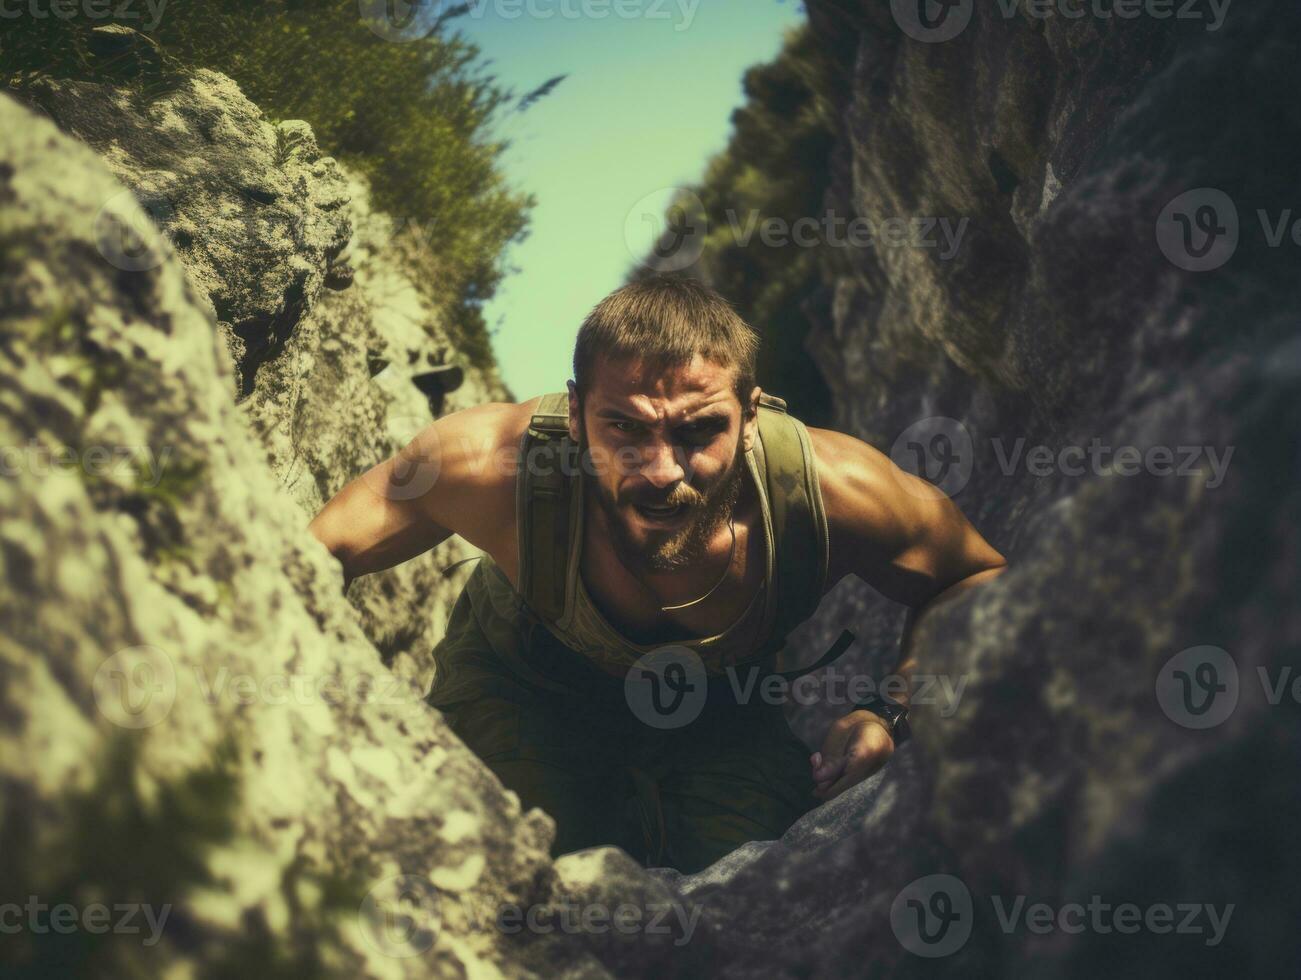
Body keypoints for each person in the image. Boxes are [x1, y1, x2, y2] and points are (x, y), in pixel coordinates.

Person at [309, 276, 1006, 873]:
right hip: (522, 687)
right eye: (626, 429)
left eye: (698, 430)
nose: (663, 471)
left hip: (721, 714)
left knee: (744, 914)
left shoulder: (834, 488)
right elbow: (303, 555)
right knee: (503, 884)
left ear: (753, 416)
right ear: (577, 414)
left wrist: (890, 713)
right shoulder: (487, 465)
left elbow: (971, 577)